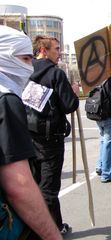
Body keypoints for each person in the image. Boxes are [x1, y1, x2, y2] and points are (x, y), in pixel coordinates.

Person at [0, 25, 62, 240]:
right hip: (9, 224)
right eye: (25, 59)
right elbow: (19, 184)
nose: (29, 67)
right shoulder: (6, 101)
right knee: (48, 184)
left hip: (32, 137)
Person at [27, 35, 79, 235]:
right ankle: (52, 229)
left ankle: (42, 226)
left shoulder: (24, 70)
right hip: (50, 140)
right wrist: (73, 92)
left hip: (28, 137)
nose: (60, 52)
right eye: (56, 49)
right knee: (48, 189)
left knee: (36, 186)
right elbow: (70, 105)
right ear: (43, 50)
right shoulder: (55, 74)